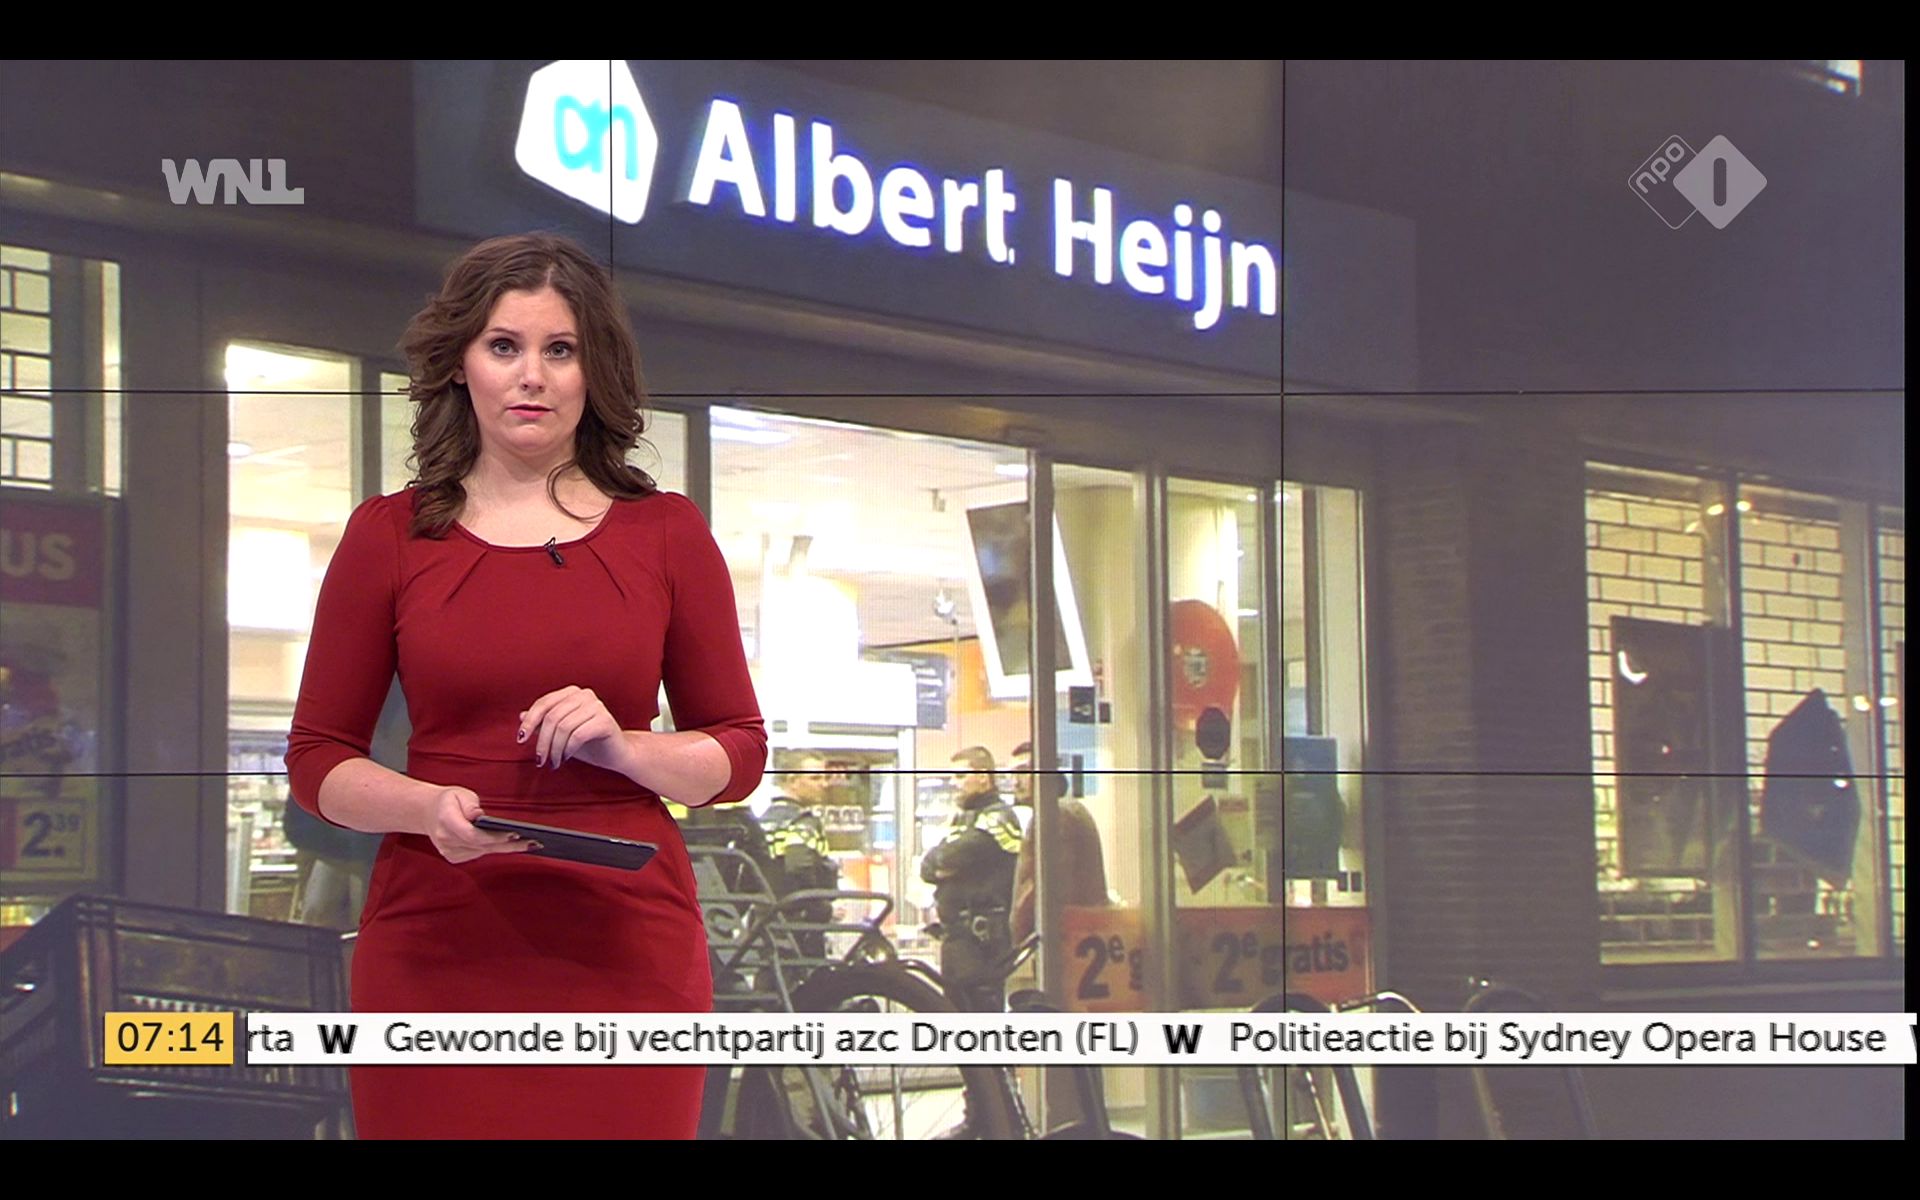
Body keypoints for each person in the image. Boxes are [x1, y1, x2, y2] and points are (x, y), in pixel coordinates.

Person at [284, 233, 766, 1140]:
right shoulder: (387, 536)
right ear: (460, 363)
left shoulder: (666, 534)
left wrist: (627, 748)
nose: (531, 376)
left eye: (561, 349)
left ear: (594, 371)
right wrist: (425, 808)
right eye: (504, 346)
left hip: (626, 949)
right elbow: (317, 762)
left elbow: (739, 753)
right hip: (435, 942)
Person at [919, 746, 1022, 1013]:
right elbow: (929, 866)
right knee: (954, 1012)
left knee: (979, 1014)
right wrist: (940, 865)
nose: (954, 784)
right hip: (956, 935)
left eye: (960, 776)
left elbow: (952, 855)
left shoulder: (998, 818)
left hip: (981, 938)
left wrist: (943, 863)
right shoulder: (964, 818)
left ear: (983, 777)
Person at [1007, 741, 1109, 945]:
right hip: (1078, 939)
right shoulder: (1067, 810)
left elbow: (1047, 889)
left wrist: (1021, 935)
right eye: (1013, 775)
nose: (1015, 783)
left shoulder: (1055, 814)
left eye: (1023, 772)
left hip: (1063, 944)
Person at [762, 754, 841, 960]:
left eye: (825, 778)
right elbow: (799, 864)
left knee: (772, 974)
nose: (824, 784)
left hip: (765, 920)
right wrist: (821, 906)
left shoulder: (762, 821)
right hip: (801, 922)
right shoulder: (803, 822)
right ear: (792, 781)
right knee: (811, 976)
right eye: (815, 778)